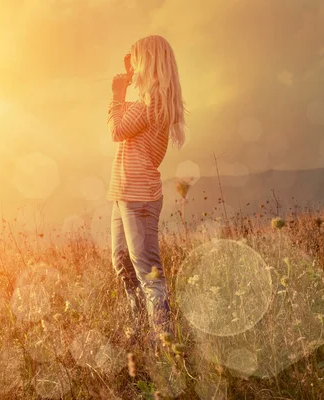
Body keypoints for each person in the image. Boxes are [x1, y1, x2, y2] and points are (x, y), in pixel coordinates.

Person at [107, 35, 187, 351]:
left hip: (138, 194)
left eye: (137, 59)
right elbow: (128, 119)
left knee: (148, 274)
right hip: (125, 193)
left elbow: (117, 129)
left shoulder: (153, 99)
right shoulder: (150, 99)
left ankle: (162, 344)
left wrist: (116, 92)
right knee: (123, 263)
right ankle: (141, 331)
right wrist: (127, 82)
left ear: (149, 62)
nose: (132, 65)